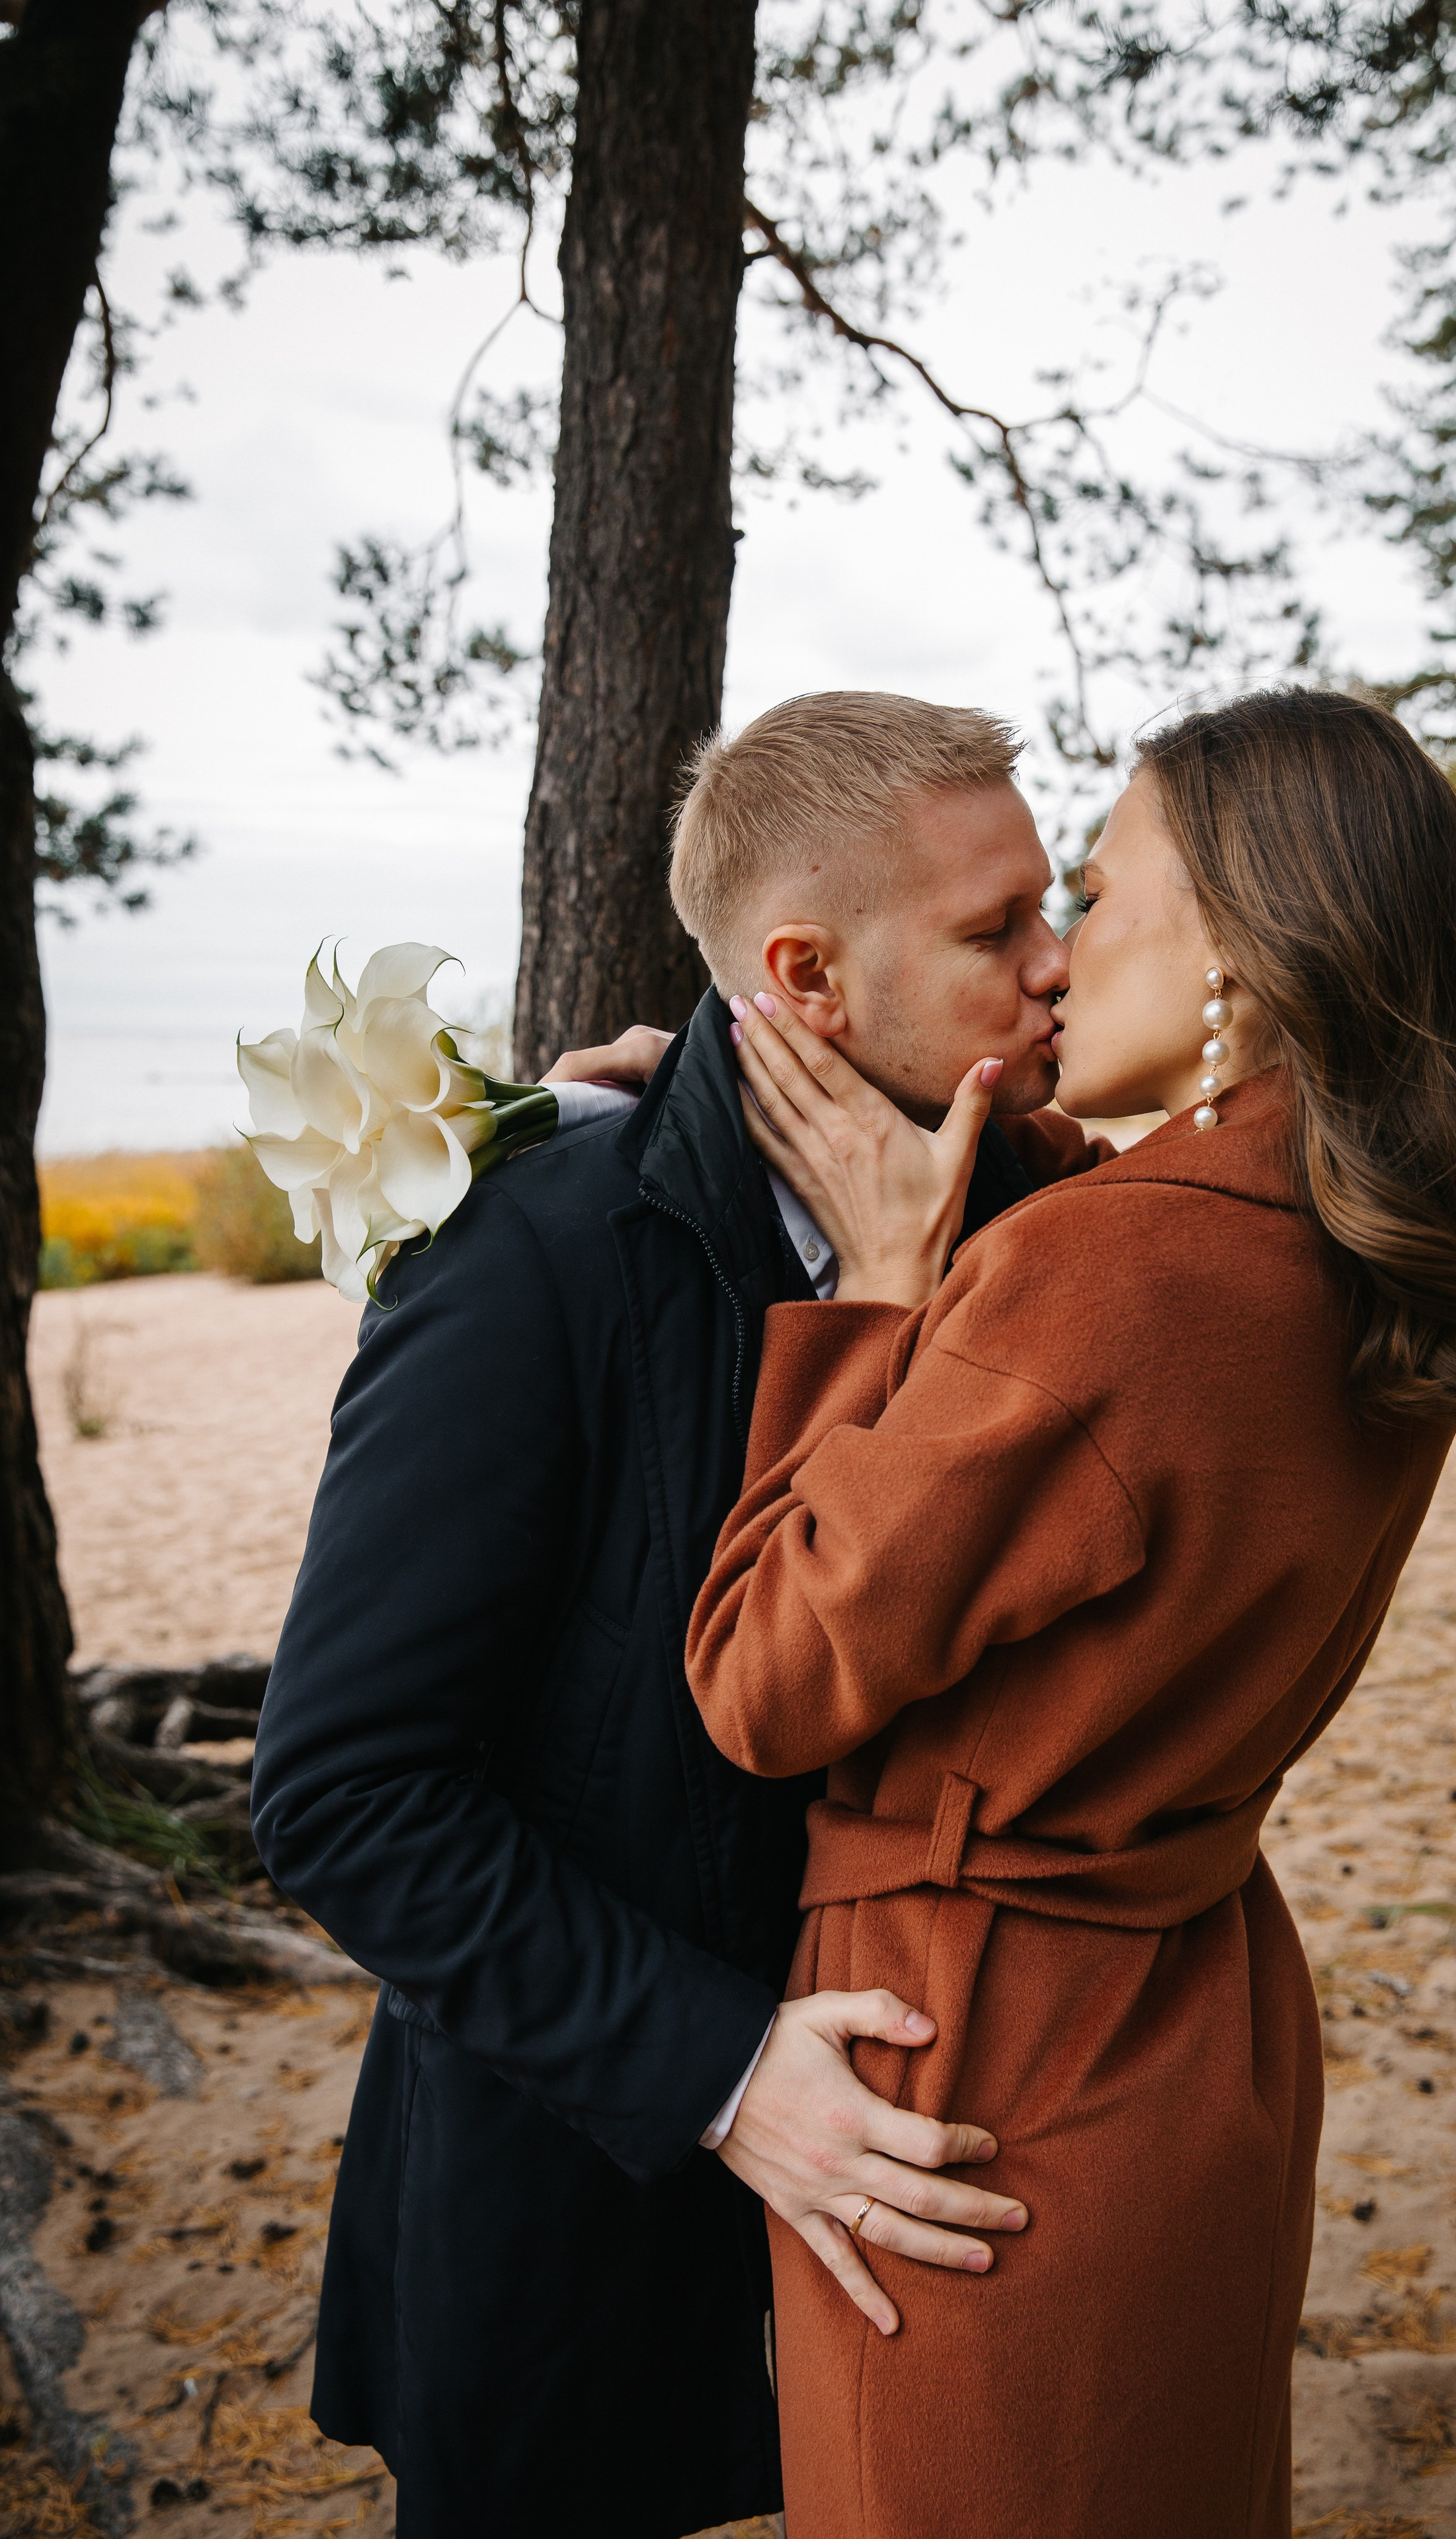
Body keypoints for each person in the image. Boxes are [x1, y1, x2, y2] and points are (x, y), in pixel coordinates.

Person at [685, 687, 1456, 2539]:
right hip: (1202, 2020)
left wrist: (875, 1300)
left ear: (1247, 953)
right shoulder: (1363, 1246)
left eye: (1096, 900)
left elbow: (761, 1676)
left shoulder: (1109, 1276)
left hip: (976, 2061)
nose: (1053, 962)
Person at [249, 692, 1114, 2538]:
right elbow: (345, 1792)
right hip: (583, 2206)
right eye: (995, 934)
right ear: (805, 975)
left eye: (1060, 908)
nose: (1060, 969)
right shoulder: (533, 1252)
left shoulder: (1063, 1223)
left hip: (958, 2187)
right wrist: (723, 2077)